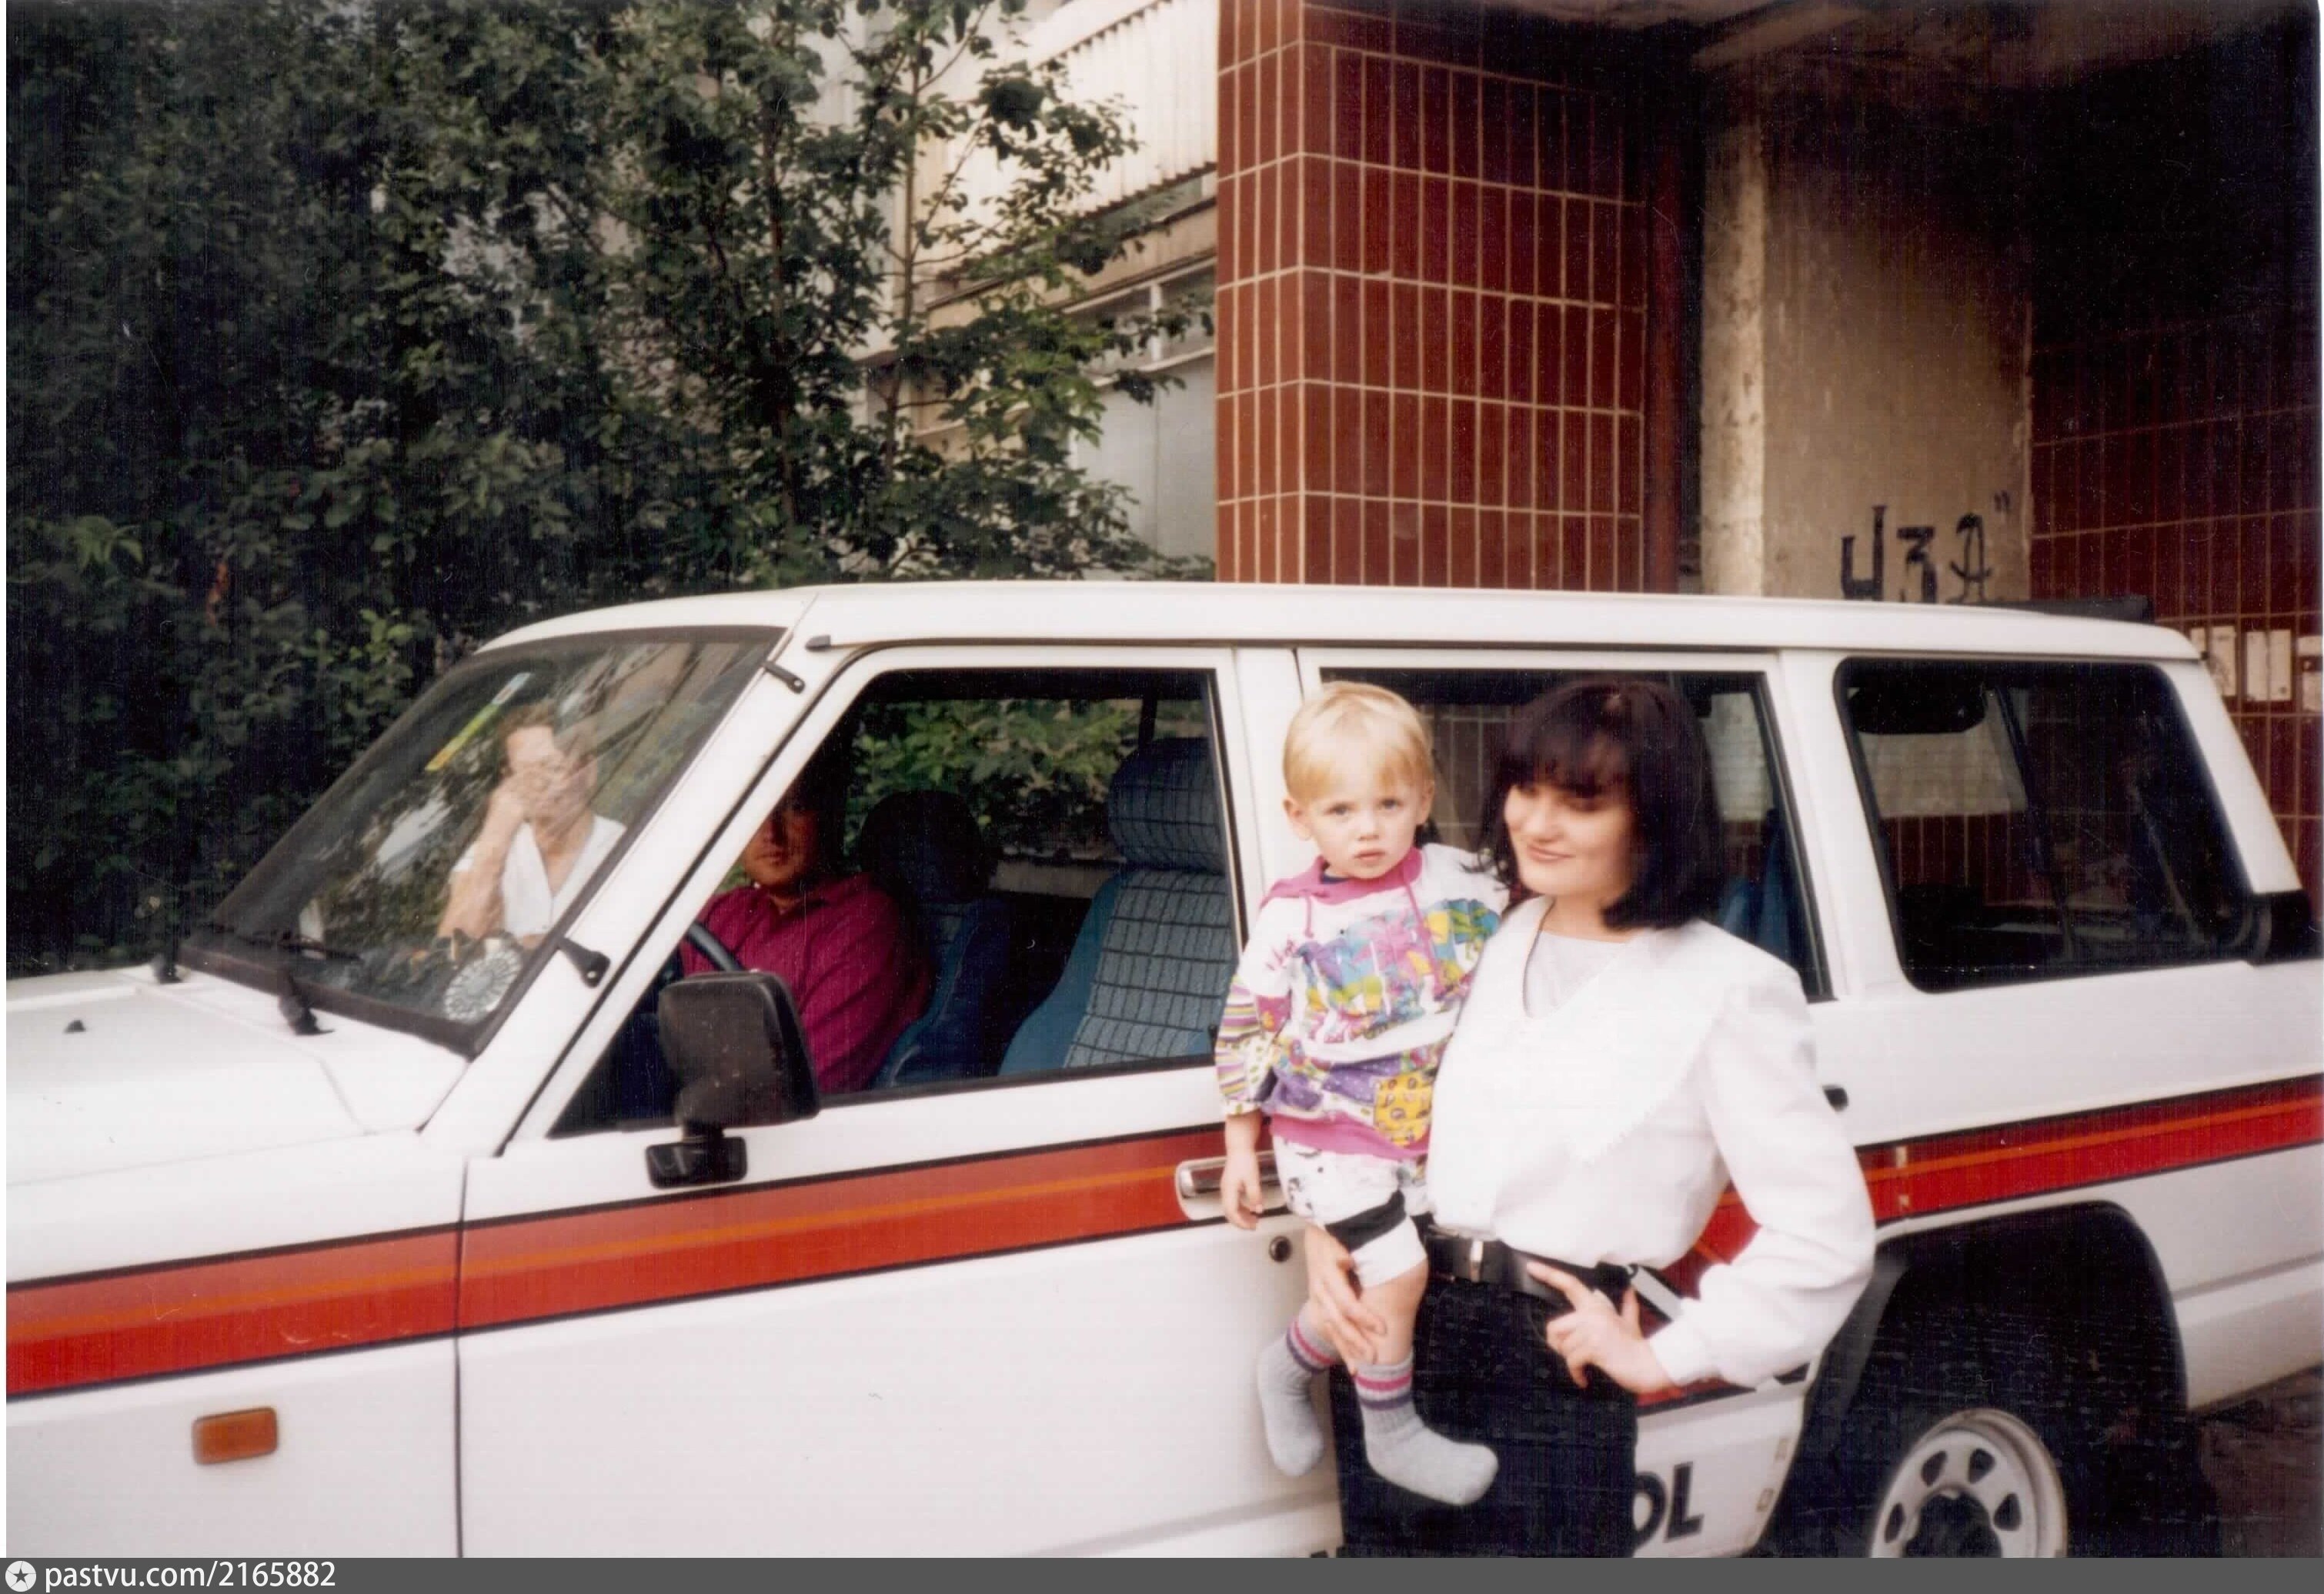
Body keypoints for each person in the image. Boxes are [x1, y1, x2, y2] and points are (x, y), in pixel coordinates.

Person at [1301, 677, 1875, 1556]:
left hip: (1551, 1357)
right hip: (1399, 1334)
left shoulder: (1726, 988)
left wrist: (1669, 1353)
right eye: (1526, 789)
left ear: (1654, 817)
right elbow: (1365, 1091)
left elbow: (1825, 1231)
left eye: (1581, 803)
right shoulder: (1480, 935)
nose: (1536, 823)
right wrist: (1327, 1233)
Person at [1217, 683, 1508, 1506]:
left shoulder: (1465, 883)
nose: (1368, 829)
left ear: (1425, 798)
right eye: (1341, 810)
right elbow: (1247, 1029)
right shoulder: (1292, 920)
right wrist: (1239, 1148)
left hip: (1420, 1134)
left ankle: (1286, 1364)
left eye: (1389, 803)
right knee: (1400, 1269)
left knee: (1376, 1279)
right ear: (1299, 816)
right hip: (1325, 1136)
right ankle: (1391, 1435)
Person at [680, 757, 930, 1098]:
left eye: (794, 808)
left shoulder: (866, 922)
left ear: (829, 816)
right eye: (754, 811)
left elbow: (801, 1084)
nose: (771, 832)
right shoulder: (722, 913)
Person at [439, 706, 624, 947]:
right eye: (525, 773)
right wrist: (494, 844)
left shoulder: (623, 846)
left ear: (588, 772)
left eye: (552, 768)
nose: (538, 784)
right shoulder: (491, 850)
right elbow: (452, 951)